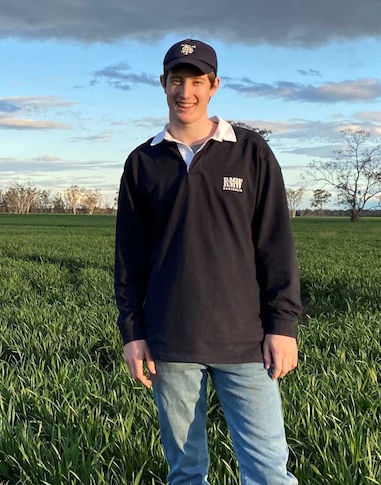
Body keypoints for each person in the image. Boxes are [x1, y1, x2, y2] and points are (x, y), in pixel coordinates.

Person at [114, 38, 302, 484]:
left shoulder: (250, 151)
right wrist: (132, 332)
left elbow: (276, 244)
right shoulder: (142, 162)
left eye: (196, 80)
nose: (186, 92)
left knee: (269, 472)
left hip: (246, 342)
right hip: (170, 343)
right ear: (162, 84)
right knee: (185, 472)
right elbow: (129, 259)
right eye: (176, 80)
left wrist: (283, 326)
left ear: (214, 85)